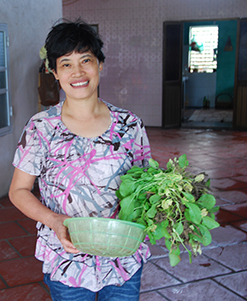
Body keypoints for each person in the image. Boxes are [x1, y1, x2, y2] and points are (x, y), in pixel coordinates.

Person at [8, 19, 151, 301]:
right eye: (66, 64)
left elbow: (146, 187)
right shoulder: (41, 128)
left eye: (86, 60)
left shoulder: (130, 125)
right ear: (54, 72)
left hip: (122, 257)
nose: (78, 72)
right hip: (67, 258)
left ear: (100, 64)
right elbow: (18, 191)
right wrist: (55, 220)